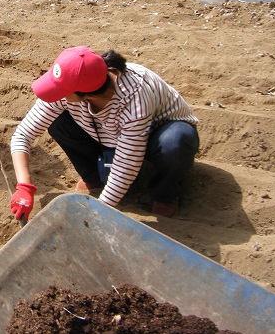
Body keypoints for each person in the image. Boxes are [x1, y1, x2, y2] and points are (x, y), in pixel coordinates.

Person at [10, 46, 199, 221]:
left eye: (63, 92)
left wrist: (97, 213)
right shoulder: (76, 78)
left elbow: (127, 165)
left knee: (174, 143)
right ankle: (94, 176)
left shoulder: (135, 98)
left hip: (156, 133)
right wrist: (25, 186)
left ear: (88, 95)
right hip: (110, 134)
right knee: (58, 123)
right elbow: (22, 136)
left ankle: (165, 193)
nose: (57, 95)